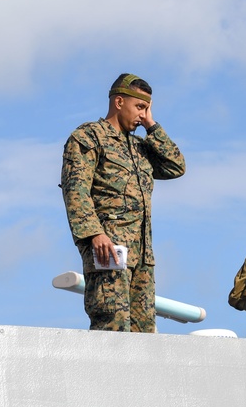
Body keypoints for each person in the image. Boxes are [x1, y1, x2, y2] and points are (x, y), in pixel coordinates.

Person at [60, 73, 186, 332]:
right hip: (109, 248)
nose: (143, 114)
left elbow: (176, 166)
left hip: (142, 256)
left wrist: (152, 126)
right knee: (112, 323)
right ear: (119, 102)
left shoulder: (141, 148)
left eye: (148, 108)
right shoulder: (89, 137)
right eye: (140, 107)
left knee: (144, 333)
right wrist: (95, 234)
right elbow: (76, 190)